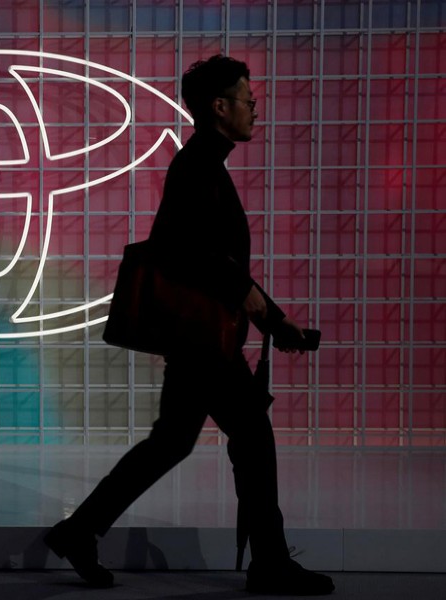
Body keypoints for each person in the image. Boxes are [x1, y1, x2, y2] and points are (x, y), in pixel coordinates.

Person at [44, 55, 335, 596]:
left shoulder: (203, 163)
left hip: (200, 339)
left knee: (173, 442)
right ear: (220, 107)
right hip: (205, 342)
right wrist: (262, 307)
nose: (255, 110)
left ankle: (78, 530)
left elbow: (215, 262)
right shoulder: (198, 165)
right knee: (250, 438)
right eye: (249, 100)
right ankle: (269, 563)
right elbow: (191, 256)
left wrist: (274, 317)